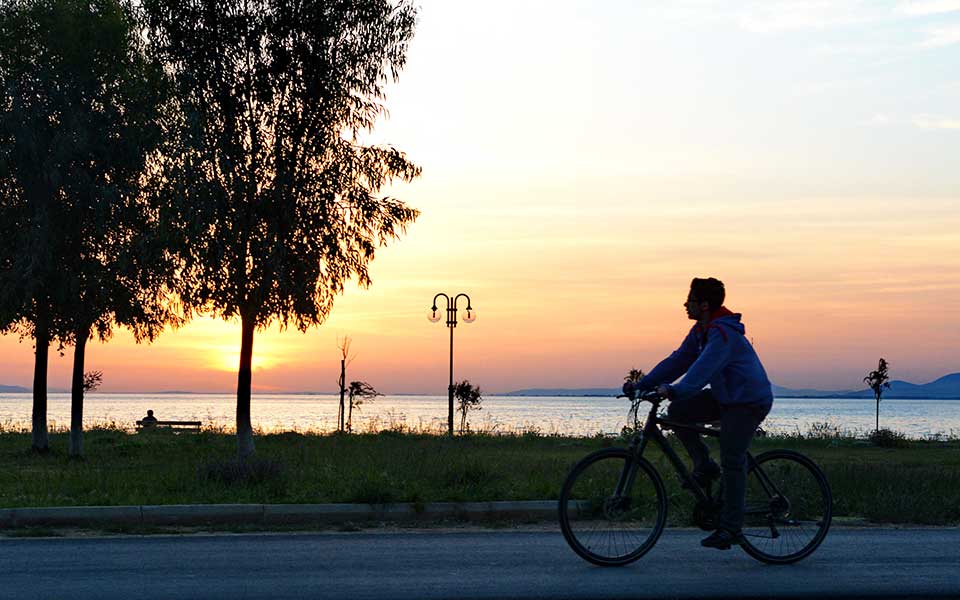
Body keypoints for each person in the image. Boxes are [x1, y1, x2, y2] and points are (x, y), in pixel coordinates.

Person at [623, 277, 773, 550]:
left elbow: (701, 370)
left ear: (704, 304)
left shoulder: (723, 334)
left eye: (690, 299)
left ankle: (731, 528)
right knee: (678, 411)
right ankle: (703, 466)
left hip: (748, 400)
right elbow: (678, 360)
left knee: (732, 457)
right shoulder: (700, 331)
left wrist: (675, 388)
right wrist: (642, 384)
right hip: (725, 396)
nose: (685, 304)